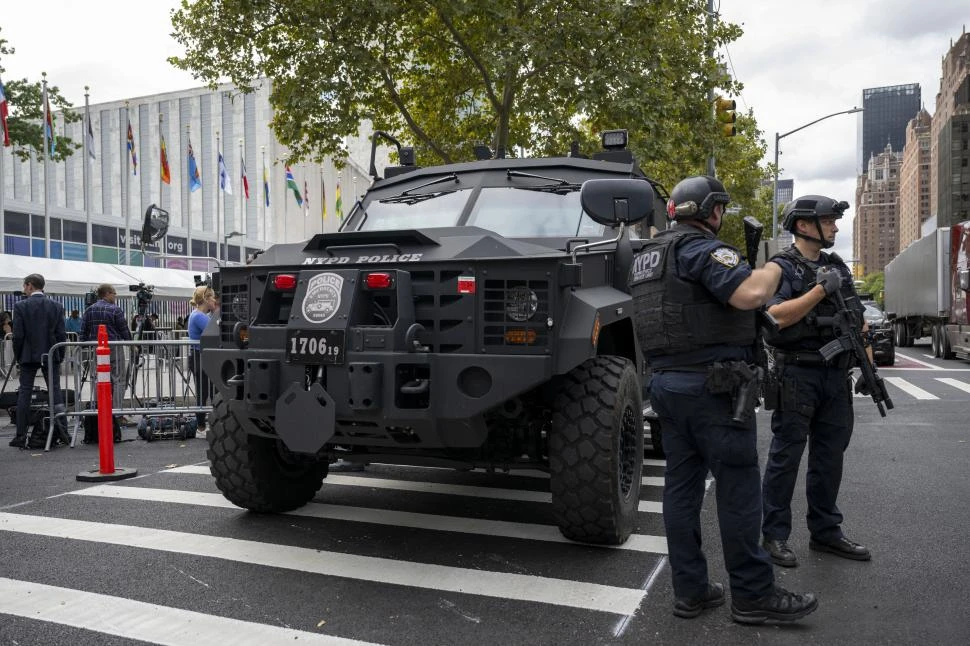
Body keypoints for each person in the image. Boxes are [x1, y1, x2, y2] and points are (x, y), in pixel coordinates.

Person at [633, 176, 817, 624]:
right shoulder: (702, 249)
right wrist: (776, 265)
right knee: (738, 491)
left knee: (680, 490)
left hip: (667, 387)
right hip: (713, 389)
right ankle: (753, 596)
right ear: (710, 211)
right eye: (720, 210)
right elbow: (751, 294)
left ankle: (690, 592)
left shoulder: (648, 257)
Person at [760, 195, 872, 567]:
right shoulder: (781, 267)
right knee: (785, 458)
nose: (836, 227)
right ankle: (774, 535)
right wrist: (820, 290)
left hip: (836, 377)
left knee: (829, 458)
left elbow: (857, 319)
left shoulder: (837, 265)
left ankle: (825, 532)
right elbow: (775, 316)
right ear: (804, 225)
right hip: (797, 374)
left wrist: (867, 364)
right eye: (828, 221)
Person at [10, 274, 69, 447]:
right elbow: (61, 334)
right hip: (50, 353)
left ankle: (20, 435)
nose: (23, 289)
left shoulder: (20, 306)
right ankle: (63, 430)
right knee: (55, 392)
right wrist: (61, 354)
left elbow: (18, 336)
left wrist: (18, 355)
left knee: (25, 393)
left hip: (28, 355)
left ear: (29, 285)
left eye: (24, 286)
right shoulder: (56, 306)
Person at [81, 284, 132, 411]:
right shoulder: (115, 310)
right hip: (114, 347)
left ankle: (100, 410)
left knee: (97, 379)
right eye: (114, 293)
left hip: (96, 348)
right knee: (118, 379)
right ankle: (116, 412)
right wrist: (132, 344)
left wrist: (83, 345)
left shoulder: (89, 310)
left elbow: (83, 331)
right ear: (107, 293)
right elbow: (124, 330)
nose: (115, 296)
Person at [188, 285, 217, 431]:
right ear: (205, 299)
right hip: (200, 357)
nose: (214, 299)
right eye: (211, 296)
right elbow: (215, 330)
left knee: (206, 391)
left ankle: (202, 425)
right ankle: (201, 426)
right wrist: (217, 311)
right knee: (205, 392)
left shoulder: (198, 314)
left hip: (200, 357)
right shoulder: (199, 316)